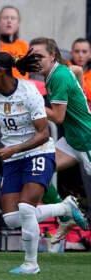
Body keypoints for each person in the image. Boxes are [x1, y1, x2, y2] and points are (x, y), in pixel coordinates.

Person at [0, 51, 87, 274]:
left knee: (25, 208)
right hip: (13, 157)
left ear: (1, 73)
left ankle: (31, 264)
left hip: (38, 152)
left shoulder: (29, 92)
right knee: (12, 219)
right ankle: (65, 207)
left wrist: (13, 148)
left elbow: (43, 134)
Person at [29, 37, 91, 243]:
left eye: (39, 56)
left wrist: (32, 104)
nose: (34, 60)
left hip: (87, 140)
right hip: (73, 140)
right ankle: (65, 214)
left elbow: (57, 117)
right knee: (36, 169)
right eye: (32, 55)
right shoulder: (59, 70)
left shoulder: (58, 77)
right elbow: (77, 70)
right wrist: (79, 92)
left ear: (52, 56)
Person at [0, 5, 29, 79]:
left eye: (13, 18)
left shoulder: (24, 45)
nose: (9, 21)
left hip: (24, 86)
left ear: (18, 23)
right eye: (5, 18)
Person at [69, 37, 91, 108]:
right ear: (71, 53)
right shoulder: (64, 68)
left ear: (90, 55)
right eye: (77, 51)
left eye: (84, 52)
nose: (80, 55)